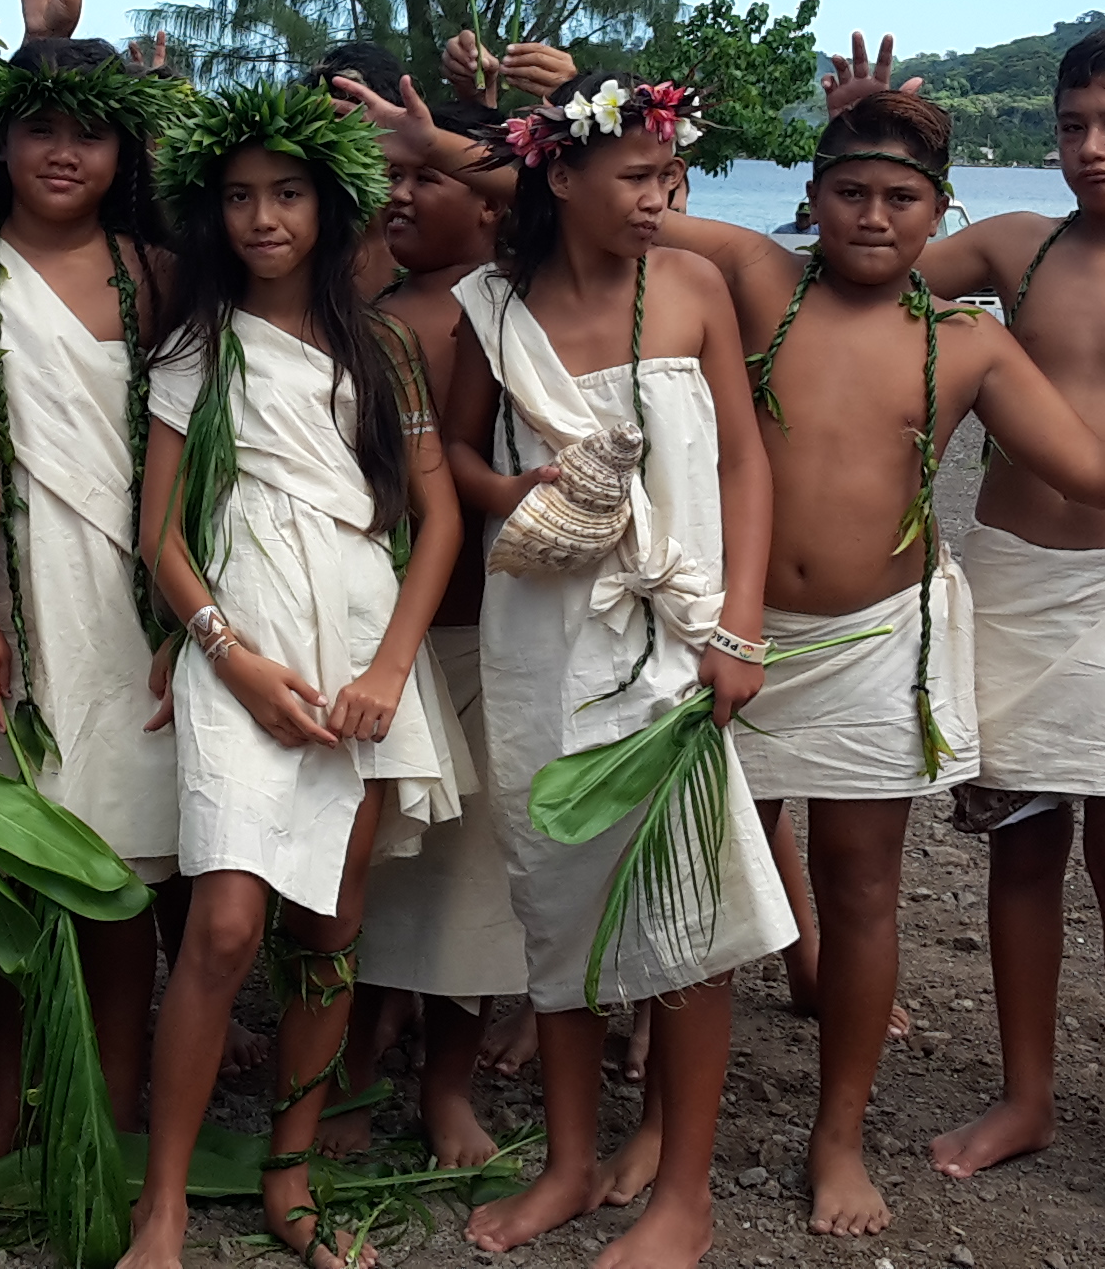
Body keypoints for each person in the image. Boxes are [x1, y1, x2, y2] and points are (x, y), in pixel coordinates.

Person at [663, 92, 1105, 1240]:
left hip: (879, 642)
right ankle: (675, 1153)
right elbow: (611, 203)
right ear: (812, 200)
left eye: (901, 199)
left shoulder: (966, 339)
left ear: (937, 215)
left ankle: (841, 1138)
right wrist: (522, 123)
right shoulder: (764, 280)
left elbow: (1102, 467)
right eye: (849, 194)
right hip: (746, 635)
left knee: (863, 888)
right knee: (714, 885)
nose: (874, 218)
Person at [827, 23, 1105, 1253]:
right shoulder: (1015, 248)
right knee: (1018, 856)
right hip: (1009, 585)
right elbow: (866, 261)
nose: (1090, 149)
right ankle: (1024, 1096)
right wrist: (869, 130)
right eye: (1073, 125)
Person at [423, 74, 791, 1269]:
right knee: (559, 898)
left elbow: (744, 463)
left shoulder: (692, 288)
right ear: (562, 177)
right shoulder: (495, 305)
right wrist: (513, 493)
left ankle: (683, 1191)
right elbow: (461, 464)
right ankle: (572, 1164)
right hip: (543, 644)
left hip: (676, 645)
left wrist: (737, 630)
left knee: (685, 906)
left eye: (669, 175)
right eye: (635, 176)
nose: (659, 195)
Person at [120, 82, 466, 1269]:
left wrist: (388, 668)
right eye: (237, 197)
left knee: (331, 923)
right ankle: (161, 1203)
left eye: (287, 193)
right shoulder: (194, 350)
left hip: (363, 650)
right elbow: (161, 533)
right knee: (222, 926)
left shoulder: (382, 351)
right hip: (244, 648)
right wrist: (230, 656)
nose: (262, 217)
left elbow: (435, 521)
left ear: (330, 205)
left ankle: (291, 1177)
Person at [0, 39, 189, 1180]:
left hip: (136, 601)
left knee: (121, 868)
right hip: (6, 593)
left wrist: (192, 613)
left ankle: (110, 1110)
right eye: (38, 127)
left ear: (125, 147)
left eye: (90, 130)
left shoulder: (163, 273)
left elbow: (203, 456)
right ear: (0, 142)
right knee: (11, 865)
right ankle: (3, 1106)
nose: (63, 152)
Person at [331, 93, 528, 1169]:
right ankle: (350, 1069)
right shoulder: (363, 310)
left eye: (428, 179)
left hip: (498, 633)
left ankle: (446, 1088)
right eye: (390, 181)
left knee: (477, 878)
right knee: (375, 870)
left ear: (495, 205)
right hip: (378, 639)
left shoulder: (524, 304)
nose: (401, 194)